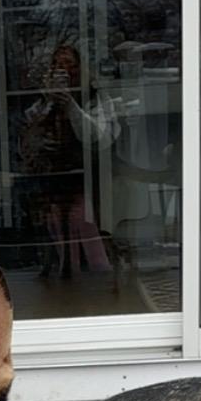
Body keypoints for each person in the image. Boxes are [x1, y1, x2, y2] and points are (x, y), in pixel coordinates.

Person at [19, 43, 116, 279]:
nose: (64, 72)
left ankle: (96, 273)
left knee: (81, 220)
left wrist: (70, 104)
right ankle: (64, 271)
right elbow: (27, 142)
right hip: (51, 178)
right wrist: (48, 107)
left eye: (69, 66)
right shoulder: (41, 104)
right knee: (54, 222)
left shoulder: (95, 98)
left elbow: (98, 138)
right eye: (57, 67)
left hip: (89, 177)